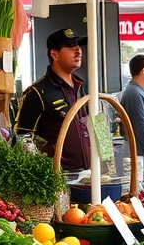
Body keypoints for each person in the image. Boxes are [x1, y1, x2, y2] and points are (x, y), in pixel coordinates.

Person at [15, 28, 89, 171]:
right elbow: (23, 138)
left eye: (78, 45)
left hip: (89, 176)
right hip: (59, 180)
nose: (78, 50)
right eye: (70, 46)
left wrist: (105, 162)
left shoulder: (82, 87)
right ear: (54, 54)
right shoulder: (37, 92)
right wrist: (45, 172)